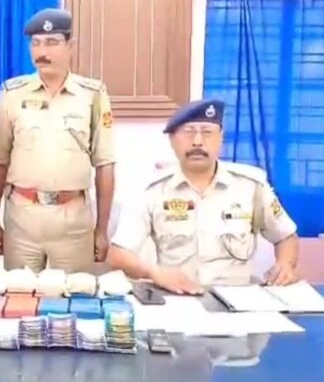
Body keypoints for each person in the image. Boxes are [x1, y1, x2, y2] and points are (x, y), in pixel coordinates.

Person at [107, 98, 300, 293]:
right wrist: (155, 273)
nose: (197, 141)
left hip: (237, 298)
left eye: (207, 132)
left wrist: (285, 264)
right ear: (172, 140)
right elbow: (118, 254)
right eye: (188, 132)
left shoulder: (251, 187)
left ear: (220, 138)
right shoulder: (152, 191)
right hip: (178, 297)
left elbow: (285, 236)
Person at [0, 8, 116, 273]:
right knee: (20, 294)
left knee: (74, 294)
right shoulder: (11, 94)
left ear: (71, 46)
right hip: (22, 220)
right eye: (36, 43)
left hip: (73, 223)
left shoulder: (92, 95)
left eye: (52, 42)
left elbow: (105, 164)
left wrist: (102, 230)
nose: (42, 51)